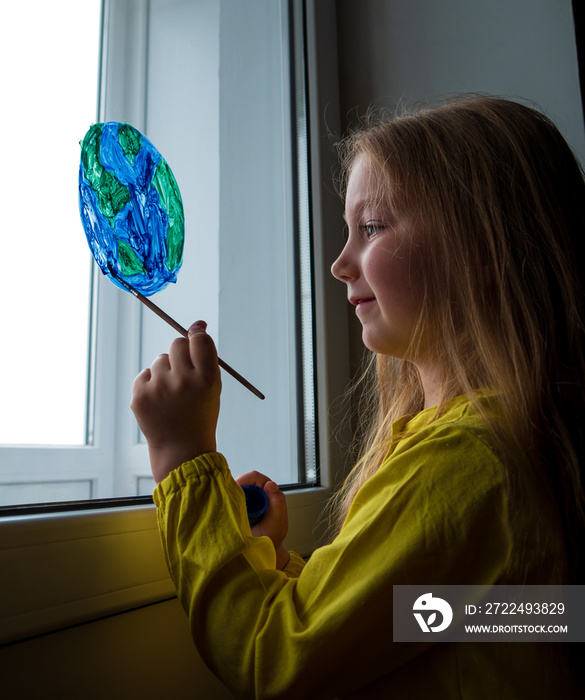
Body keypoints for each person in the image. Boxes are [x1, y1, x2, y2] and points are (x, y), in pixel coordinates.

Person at [131, 95, 585, 698]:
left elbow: (272, 655)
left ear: (483, 246)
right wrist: (280, 568)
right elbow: (438, 621)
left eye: (370, 228)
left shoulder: (470, 463)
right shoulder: (510, 449)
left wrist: (183, 456)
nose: (340, 264)